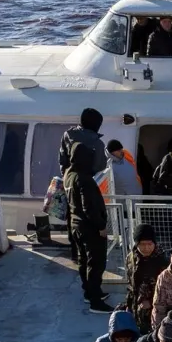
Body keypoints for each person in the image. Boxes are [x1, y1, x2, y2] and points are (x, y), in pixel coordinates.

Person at [61, 109, 113, 314]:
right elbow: (89, 207)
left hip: (75, 224)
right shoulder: (84, 180)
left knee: (83, 259)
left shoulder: (69, 175)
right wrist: (101, 227)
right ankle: (95, 302)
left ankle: (89, 292)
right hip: (89, 227)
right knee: (96, 262)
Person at [129, 223, 167, 334]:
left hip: (157, 312)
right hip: (137, 309)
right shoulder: (131, 258)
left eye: (149, 244)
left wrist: (151, 302)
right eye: (142, 244)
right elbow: (131, 285)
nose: (146, 248)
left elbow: (169, 291)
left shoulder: (163, 262)